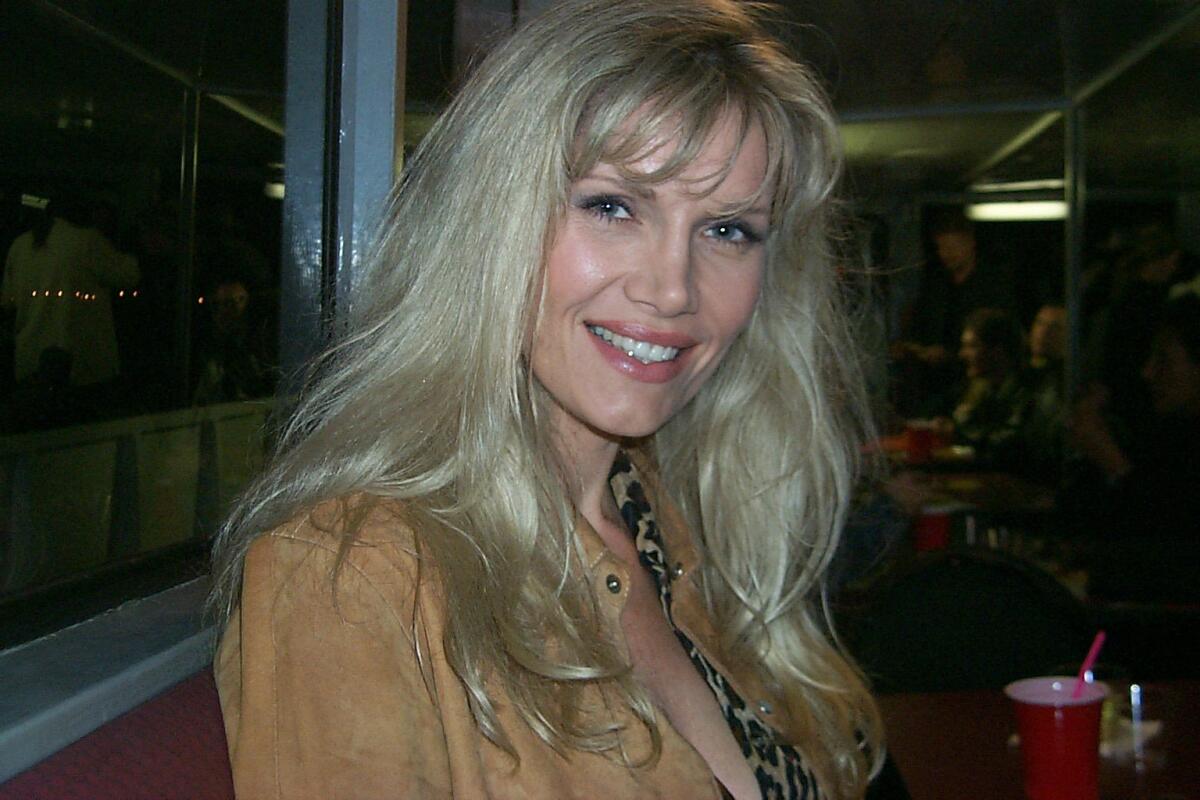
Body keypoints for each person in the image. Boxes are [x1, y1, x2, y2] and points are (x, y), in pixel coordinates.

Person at [210, 2, 884, 798]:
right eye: (612, 206)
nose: (673, 289)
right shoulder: (348, 579)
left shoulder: (688, 525)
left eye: (729, 230)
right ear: (491, 221)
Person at [1069, 292, 1200, 604]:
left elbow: (1169, 544)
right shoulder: (1169, 434)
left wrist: (1112, 461)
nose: (1148, 373)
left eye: (1164, 361)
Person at [1, 193, 139, 390]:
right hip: (81, 362)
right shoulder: (87, 241)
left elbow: (8, 301)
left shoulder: (20, 245)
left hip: (31, 359)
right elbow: (129, 275)